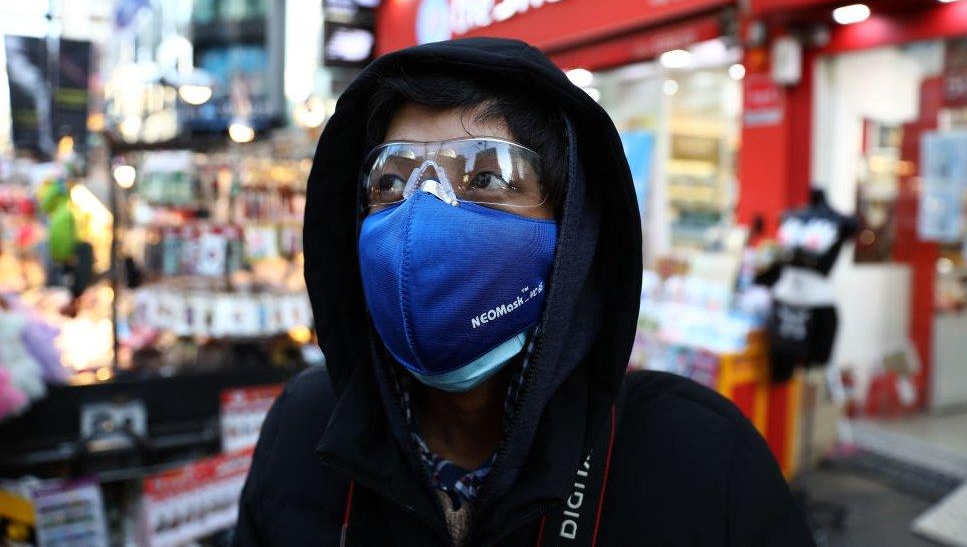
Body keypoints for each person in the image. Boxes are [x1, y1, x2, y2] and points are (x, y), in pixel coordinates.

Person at [233, 38, 814, 546]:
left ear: (572, 233)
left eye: (485, 179)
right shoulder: (304, 430)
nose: (421, 218)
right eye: (390, 183)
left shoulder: (698, 461)